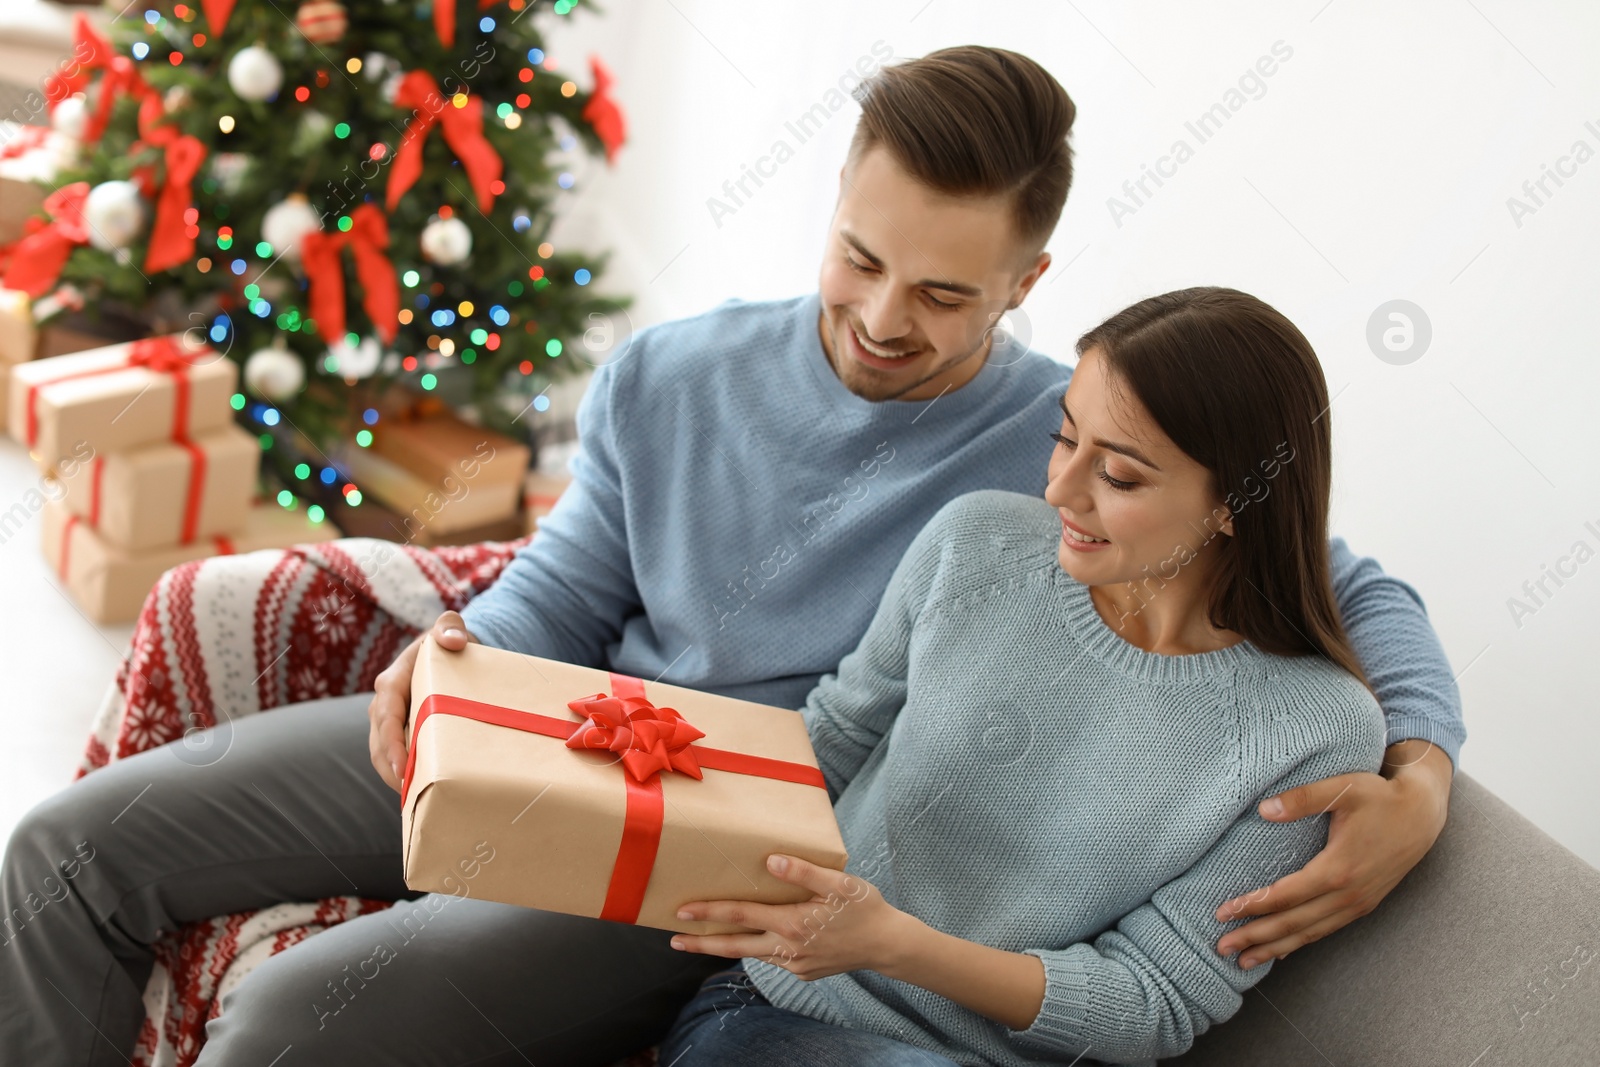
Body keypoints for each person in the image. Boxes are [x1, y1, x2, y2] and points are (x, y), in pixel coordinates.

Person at [0, 47, 1462, 1066]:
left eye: (947, 291)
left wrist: (1417, 776)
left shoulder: (1068, 445)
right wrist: (453, 662)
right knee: (65, 852)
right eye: (861, 256)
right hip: (559, 732)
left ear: (1029, 282)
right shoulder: (672, 374)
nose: (885, 316)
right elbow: (568, 587)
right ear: (833, 209)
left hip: (726, 852)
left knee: (291, 1026)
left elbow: (1343, 582)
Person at [657, 287, 1398, 1067]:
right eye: (1064, 437)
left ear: (1237, 502)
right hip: (785, 1013)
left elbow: (1155, 1000)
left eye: (1117, 474)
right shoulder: (974, 545)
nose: (1059, 490)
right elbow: (830, 741)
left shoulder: (1313, 727)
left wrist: (896, 944)